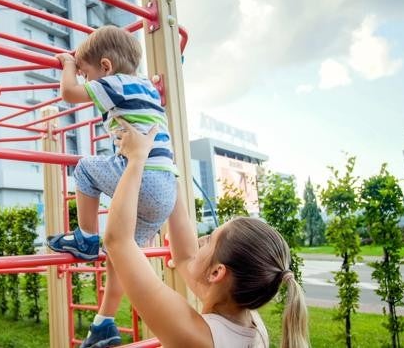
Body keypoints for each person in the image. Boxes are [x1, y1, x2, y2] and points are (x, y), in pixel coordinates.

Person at [103, 118, 310, 347]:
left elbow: (118, 241)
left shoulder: (196, 337)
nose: (200, 240)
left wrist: (137, 159)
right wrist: (166, 170)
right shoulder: (250, 322)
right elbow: (185, 256)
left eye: (210, 239)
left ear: (217, 273)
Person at [47, 26, 178, 347]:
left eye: (87, 73)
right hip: (166, 190)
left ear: (105, 67)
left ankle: (86, 237)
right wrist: (81, 65)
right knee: (122, 253)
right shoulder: (147, 87)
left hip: (142, 176)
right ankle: (104, 322)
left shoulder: (113, 82)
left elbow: (68, 94)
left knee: (85, 168)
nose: (86, 80)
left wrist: (68, 64)